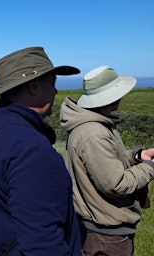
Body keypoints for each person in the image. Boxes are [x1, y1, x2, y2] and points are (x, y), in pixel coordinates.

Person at [0, 46, 82, 255]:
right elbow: (43, 245)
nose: (55, 91)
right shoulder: (30, 148)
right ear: (34, 86)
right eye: (52, 82)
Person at [60, 66, 154, 255]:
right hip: (106, 235)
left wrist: (137, 155)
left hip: (101, 230)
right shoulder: (94, 133)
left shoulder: (92, 125)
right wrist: (149, 167)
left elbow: (107, 161)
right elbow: (116, 184)